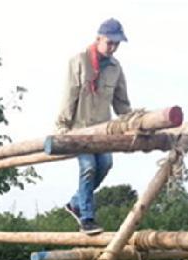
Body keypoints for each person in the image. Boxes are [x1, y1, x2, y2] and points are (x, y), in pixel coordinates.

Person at [56, 18, 131, 234]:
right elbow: (69, 95)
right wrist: (62, 127)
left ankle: (75, 202)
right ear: (98, 38)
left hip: (102, 131)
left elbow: (121, 102)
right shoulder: (79, 61)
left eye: (117, 44)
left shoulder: (116, 68)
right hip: (80, 129)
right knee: (88, 167)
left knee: (105, 164)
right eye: (110, 42)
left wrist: (134, 122)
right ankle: (87, 217)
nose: (113, 48)